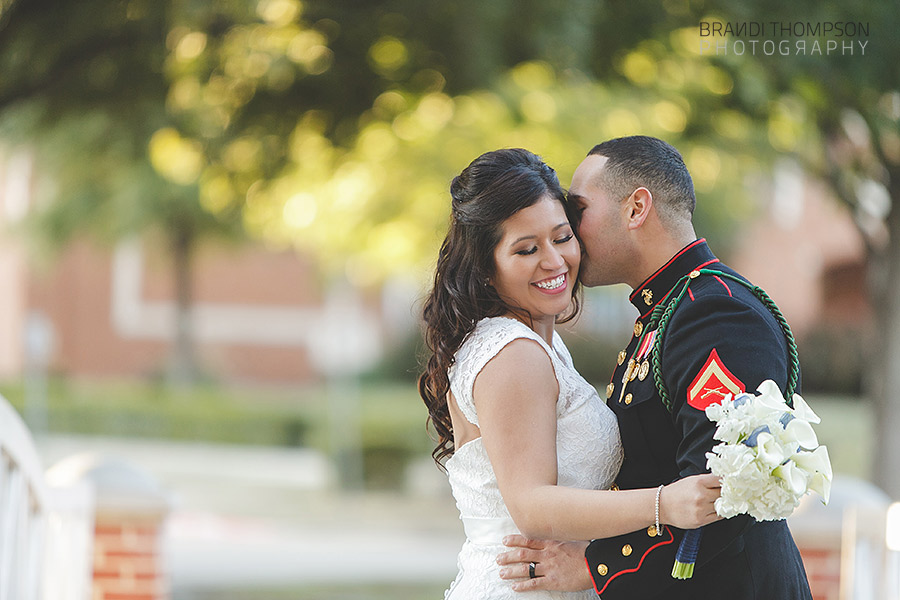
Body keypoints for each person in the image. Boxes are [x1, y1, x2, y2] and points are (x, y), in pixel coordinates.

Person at [497, 136, 813, 599]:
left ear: (636, 208)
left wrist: (597, 566)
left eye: (579, 209)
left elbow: (723, 492)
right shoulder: (669, 310)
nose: (568, 226)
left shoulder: (714, 314)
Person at [418, 147, 722, 600]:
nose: (554, 261)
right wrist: (666, 503)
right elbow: (531, 505)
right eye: (526, 249)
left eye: (562, 238)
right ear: (485, 266)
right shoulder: (513, 352)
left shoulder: (542, 342)